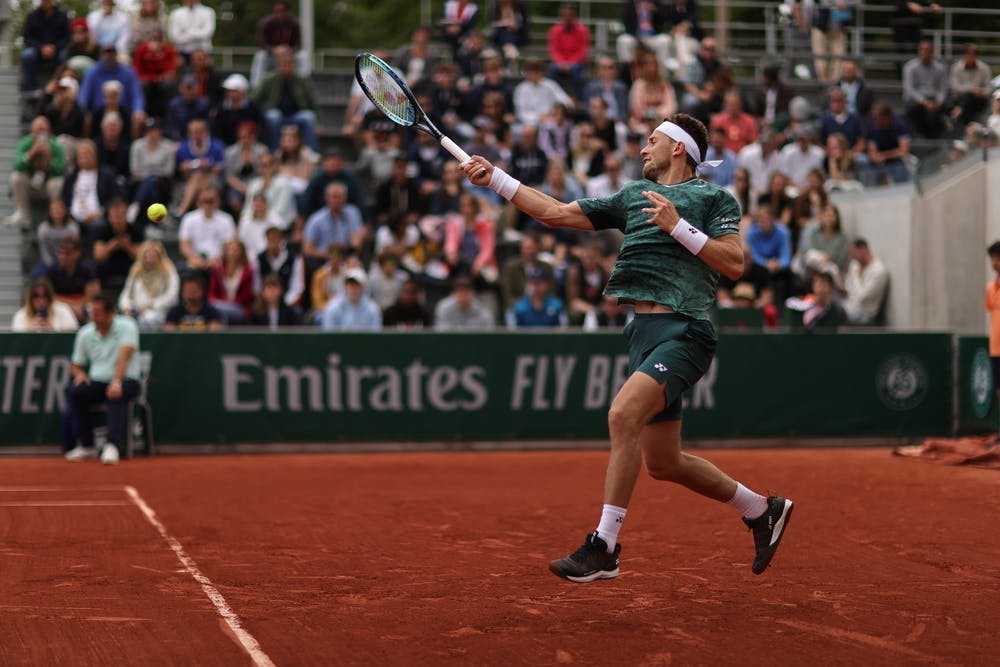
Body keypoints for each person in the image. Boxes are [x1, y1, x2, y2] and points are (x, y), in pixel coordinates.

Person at [461, 112, 794, 581]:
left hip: (685, 331)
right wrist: (495, 177)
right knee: (664, 462)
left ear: (678, 148)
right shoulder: (632, 196)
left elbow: (735, 263)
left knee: (621, 415)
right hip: (642, 334)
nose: (643, 148)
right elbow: (556, 213)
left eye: (652, 140)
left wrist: (679, 226)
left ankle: (605, 545)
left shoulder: (713, 197)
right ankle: (762, 509)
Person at [63, 294, 140, 465]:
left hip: (127, 380)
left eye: (97, 312)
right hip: (98, 381)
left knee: (115, 393)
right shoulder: (85, 333)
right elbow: (76, 364)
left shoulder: (127, 326)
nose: (93, 316)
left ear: (111, 312)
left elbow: (124, 357)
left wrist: (116, 381)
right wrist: (80, 375)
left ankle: (112, 445)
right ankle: (88, 446)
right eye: (91, 312)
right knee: (77, 392)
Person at [253, 47, 319, 152]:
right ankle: (275, 151)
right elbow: (255, 99)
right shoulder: (269, 80)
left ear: (294, 65)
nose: (286, 67)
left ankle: (311, 153)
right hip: (277, 114)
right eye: (283, 64)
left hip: (296, 115)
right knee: (273, 116)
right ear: (278, 66)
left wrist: (319, 123)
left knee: (308, 117)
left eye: (288, 64)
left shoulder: (302, 80)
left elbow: (313, 101)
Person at [7, 116, 66, 228]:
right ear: (32, 132)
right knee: (16, 177)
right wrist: (31, 154)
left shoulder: (56, 145)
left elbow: (60, 171)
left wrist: (49, 159)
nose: (41, 134)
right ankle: (22, 214)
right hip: (30, 186)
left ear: (49, 132)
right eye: (39, 130)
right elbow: (17, 165)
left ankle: (56, 216)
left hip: (48, 186)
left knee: (58, 183)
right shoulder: (25, 143)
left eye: (44, 131)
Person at [118, 240, 179, 330]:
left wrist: (150, 305)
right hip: (136, 311)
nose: (150, 257)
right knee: (124, 322)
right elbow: (126, 293)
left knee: (147, 320)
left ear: (160, 256)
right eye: (147, 254)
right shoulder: (136, 271)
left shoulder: (168, 271)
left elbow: (171, 296)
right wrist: (126, 307)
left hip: (159, 311)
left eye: (153, 255)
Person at [250, 0, 308, 88]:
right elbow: (261, 42)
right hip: (272, 55)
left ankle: (304, 85)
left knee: (303, 56)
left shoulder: (295, 23)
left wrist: (289, 50)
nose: (279, 14)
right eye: (277, 11)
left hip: (289, 55)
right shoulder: (266, 22)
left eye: (282, 11)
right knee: (260, 56)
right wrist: (273, 50)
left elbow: (299, 44)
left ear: (288, 12)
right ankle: (256, 87)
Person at [178, 184, 236, 270]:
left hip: (219, 263)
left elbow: (230, 245)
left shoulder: (226, 219)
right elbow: (184, 245)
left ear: (218, 201)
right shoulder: (189, 218)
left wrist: (217, 259)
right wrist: (195, 259)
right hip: (195, 262)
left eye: (211, 201)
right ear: (198, 202)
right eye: (205, 201)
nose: (208, 204)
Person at [20, 0, 70, 95]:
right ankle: (32, 88)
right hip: (37, 50)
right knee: (27, 55)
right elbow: (27, 38)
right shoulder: (32, 16)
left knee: (64, 56)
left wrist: (54, 47)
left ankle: (58, 86)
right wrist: (41, 47)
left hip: (57, 50)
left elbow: (67, 38)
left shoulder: (62, 16)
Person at [902, 39, 948, 139]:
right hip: (916, 100)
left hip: (934, 99)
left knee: (943, 108)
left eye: (928, 50)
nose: (925, 53)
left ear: (932, 52)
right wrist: (924, 102)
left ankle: (933, 136)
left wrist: (938, 102)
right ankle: (923, 134)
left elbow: (942, 89)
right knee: (916, 109)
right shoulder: (910, 67)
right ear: (919, 51)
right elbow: (909, 89)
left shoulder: (940, 68)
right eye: (923, 50)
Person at [546, 3, 590, 100]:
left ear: (574, 15)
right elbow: (553, 50)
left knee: (575, 71)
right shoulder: (555, 30)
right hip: (559, 63)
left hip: (576, 62)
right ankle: (550, 97)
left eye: (569, 14)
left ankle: (578, 98)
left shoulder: (582, 30)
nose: (567, 17)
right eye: (565, 14)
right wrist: (561, 62)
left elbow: (582, 50)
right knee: (551, 70)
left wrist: (570, 63)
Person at [207, 239, 255, 324]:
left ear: (241, 252)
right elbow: (212, 293)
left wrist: (227, 305)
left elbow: (246, 296)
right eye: (229, 250)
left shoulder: (248, 271)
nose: (232, 253)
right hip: (219, 305)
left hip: (239, 308)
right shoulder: (217, 270)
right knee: (216, 310)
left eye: (235, 250)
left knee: (220, 313)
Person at [843, 238, 889, 325]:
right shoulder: (855, 264)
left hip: (865, 315)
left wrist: (856, 277)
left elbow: (862, 297)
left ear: (863, 250)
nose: (852, 257)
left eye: (854, 253)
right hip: (849, 306)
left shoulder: (878, 271)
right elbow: (847, 285)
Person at [949, 44, 993, 127]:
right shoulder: (956, 68)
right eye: (968, 55)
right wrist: (972, 90)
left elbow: (989, 88)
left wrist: (981, 92)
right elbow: (955, 87)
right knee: (967, 98)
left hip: (979, 100)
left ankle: (958, 111)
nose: (970, 57)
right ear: (964, 55)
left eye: (973, 55)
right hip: (960, 99)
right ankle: (969, 127)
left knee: (967, 100)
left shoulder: (984, 68)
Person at [12, 277, 79, 332]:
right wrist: (29, 330)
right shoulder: (20, 316)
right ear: (30, 299)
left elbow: (73, 333)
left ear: (50, 297)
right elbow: (17, 341)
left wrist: (53, 331)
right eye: (36, 296)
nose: (41, 301)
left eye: (45, 296)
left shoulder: (63, 310)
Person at [985, 242, 1000, 436]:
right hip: (995, 348)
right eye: (992, 258)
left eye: (998, 258)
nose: (994, 263)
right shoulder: (990, 288)